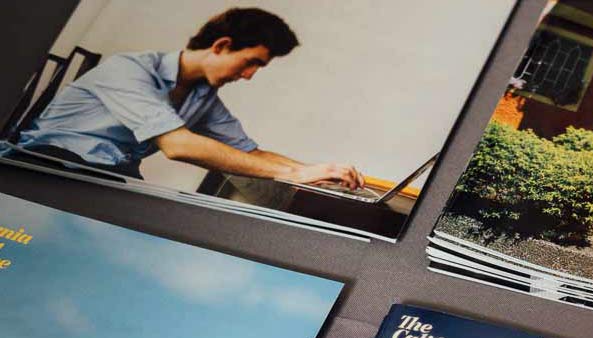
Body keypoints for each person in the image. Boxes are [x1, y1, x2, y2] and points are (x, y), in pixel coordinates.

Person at [11, 7, 363, 189]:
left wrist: (318, 172)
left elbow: (249, 153)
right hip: (40, 166)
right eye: (250, 63)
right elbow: (178, 146)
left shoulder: (203, 95)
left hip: (102, 178)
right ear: (222, 46)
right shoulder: (128, 69)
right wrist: (294, 174)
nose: (249, 75)